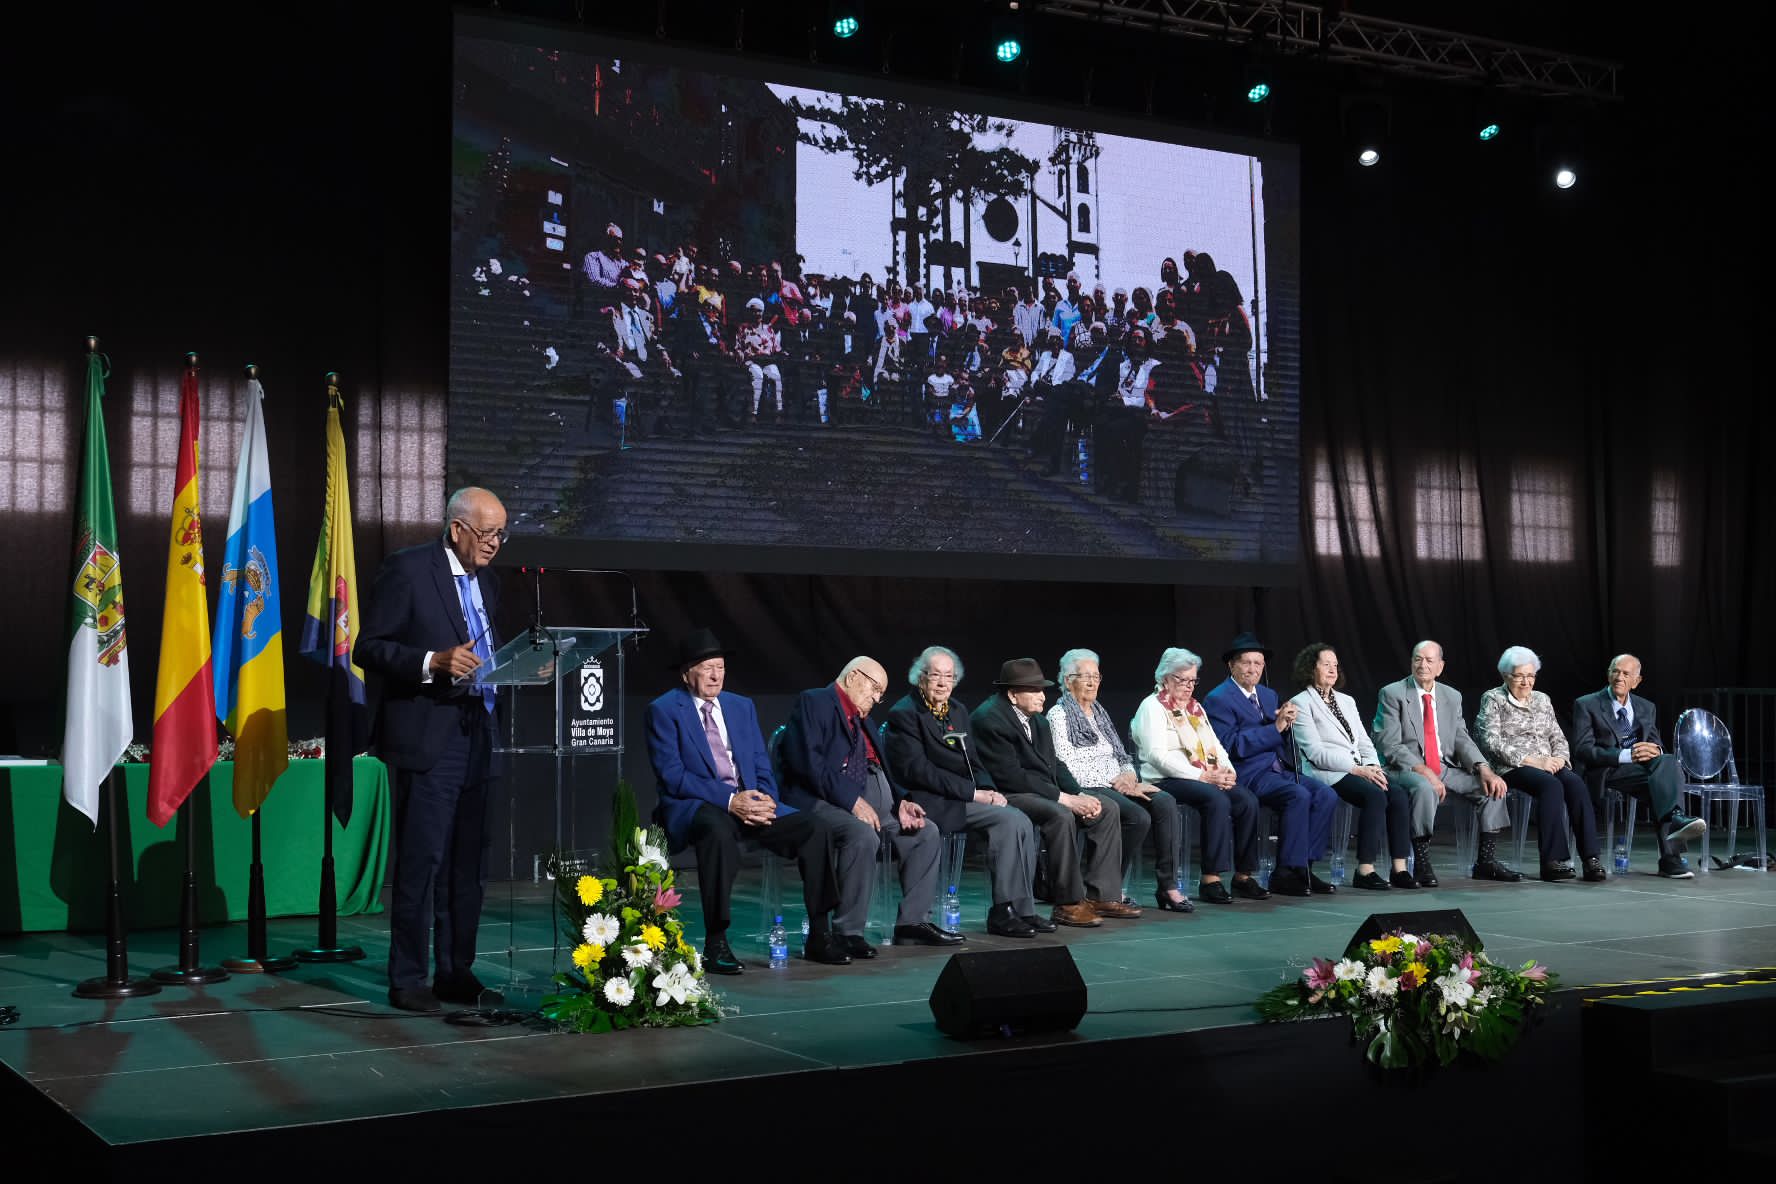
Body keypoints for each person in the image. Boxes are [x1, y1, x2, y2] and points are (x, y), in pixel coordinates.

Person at [357, 487, 512, 1012]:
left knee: (467, 865)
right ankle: (407, 978)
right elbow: (369, 646)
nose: (494, 543)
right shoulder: (408, 569)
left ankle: (455, 971)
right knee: (422, 861)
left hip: (479, 732)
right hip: (429, 738)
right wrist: (431, 662)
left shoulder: (488, 581)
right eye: (486, 533)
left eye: (501, 534)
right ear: (457, 528)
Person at [645, 628, 850, 972]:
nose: (716, 675)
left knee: (815, 829)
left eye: (720, 667)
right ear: (685, 674)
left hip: (748, 801)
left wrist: (764, 800)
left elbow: (759, 762)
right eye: (707, 668)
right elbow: (673, 776)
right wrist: (730, 801)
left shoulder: (741, 706)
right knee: (717, 833)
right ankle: (716, 942)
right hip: (697, 804)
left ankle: (819, 933)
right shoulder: (664, 710)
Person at [780, 657, 960, 955]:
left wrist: (901, 802)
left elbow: (883, 769)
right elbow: (809, 765)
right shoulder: (816, 701)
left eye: (881, 693)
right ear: (853, 677)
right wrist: (852, 801)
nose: (877, 698)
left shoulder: (866, 720)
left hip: (876, 807)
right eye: (875, 689)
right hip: (825, 802)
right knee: (862, 835)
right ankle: (848, 932)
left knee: (925, 833)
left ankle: (912, 923)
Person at [884, 647, 1052, 939]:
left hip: (960, 797)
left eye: (948, 676)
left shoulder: (958, 710)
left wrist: (989, 790)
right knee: (1009, 821)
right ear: (920, 677)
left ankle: (1019, 909)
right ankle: (1001, 912)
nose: (942, 683)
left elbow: (974, 760)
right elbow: (918, 771)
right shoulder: (905, 713)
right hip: (928, 800)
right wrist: (973, 794)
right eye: (935, 675)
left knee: (1018, 818)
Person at [970, 658, 1135, 926]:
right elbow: (1011, 777)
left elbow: (1054, 764)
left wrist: (1079, 794)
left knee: (1107, 808)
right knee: (1059, 815)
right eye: (1034, 690)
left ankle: (1102, 896)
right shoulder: (990, 719)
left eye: (1042, 690)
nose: (1042, 697)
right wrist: (1064, 798)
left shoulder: (1037, 721)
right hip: (1006, 793)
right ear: (1012, 694)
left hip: (1038, 790)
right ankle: (1068, 903)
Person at [1048, 649, 1188, 912]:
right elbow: (1066, 766)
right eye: (1085, 677)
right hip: (1087, 786)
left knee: (1165, 802)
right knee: (1137, 817)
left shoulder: (1099, 712)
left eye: (1096, 677)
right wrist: (1116, 782)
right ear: (1068, 680)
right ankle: (1107, 888)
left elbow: (1120, 754)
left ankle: (1167, 885)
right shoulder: (1058, 715)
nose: (1092, 682)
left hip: (1116, 782)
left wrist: (1129, 776)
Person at [1372, 640, 1521, 884]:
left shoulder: (1451, 696)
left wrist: (1484, 768)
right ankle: (1422, 863)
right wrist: (1425, 772)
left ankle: (1486, 862)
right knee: (1424, 788)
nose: (1423, 665)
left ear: (1440, 667)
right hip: (1405, 767)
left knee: (1492, 788)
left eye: (1429, 660)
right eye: (1418, 659)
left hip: (1443, 767)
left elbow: (1461, 738)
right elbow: (1389, 744)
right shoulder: (1392, 693)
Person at [1202, 632, 1339, 896]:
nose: (1253, 669)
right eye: (1246, 662)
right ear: (1231, 665)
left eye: (1258, 663)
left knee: (1326, 794)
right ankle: (1284, 872)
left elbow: (1279, 736)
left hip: (1277, 768)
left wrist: (1287, 723)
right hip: (1248, 773)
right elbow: (1230, 745)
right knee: (1298, 795)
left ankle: (1304, 868)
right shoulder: (1218, 698)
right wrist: (1275, 728)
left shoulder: (1267, 694)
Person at [1130, 647, 1269, 904]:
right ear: (1165, 678)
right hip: (1164, 779)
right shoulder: (1152, 707)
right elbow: (1157, 756)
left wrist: (1228, 771)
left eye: (1192, 680)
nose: (1188, 686)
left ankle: (1243, 876)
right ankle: (1211, 879)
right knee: (1216, 799)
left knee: (1246, 800)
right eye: (1182, 679)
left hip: (1202, 776)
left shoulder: (1195, 708)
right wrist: (1202, 776)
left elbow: (1216, 745)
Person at [1287, 643, 1418, 890]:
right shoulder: (1301, 702)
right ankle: (1365, 870)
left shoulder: (1347, 701)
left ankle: (1399, 869)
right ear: (1311, 668)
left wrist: (1372, 766)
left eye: (1335, 665)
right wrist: (1356, 769)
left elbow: (1364, 741)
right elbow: (1315, 753)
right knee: (1374, 796)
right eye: (1326, 664)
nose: (1332, 670)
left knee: (1398, 794)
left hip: (1359, 768)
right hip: (1327, 771)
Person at [1473, 646, 1606, 882]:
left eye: (1531, 676)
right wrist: (1533, 760)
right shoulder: (1493, 699)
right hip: (1511, 766)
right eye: (1519, 676)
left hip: (1548, 763)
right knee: (1550, 785)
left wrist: (1560, 759)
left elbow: (1557, 736)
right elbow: (1489, 741)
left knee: (1575, 784)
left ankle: (1591, 859)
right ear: (1505, 675)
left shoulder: (1542, 699)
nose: (1526, 682)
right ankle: (1552, 861)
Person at [1570, 654, 1707, 879]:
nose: (1619, 677)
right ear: (1608, 674)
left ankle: (1673, 833)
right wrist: (1625, 755)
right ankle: (1672, 854)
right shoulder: (1587, 704)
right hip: (1608, 769)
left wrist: (1656, 750)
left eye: (1626, 674)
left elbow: (1655, 743)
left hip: (1641, 769)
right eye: (1615, 671)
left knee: (1667, 763)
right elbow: (1582, 749)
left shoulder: (1646, 707)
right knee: (1664, 784)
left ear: (1636, 681)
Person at [581, 223, 627, 307]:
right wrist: (619, 287)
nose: (618, 242)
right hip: (599, 306)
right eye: (614, 239)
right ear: (606, 239)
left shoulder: (623, 263)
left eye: (620, 239)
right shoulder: (592, 257)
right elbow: (594, 281)